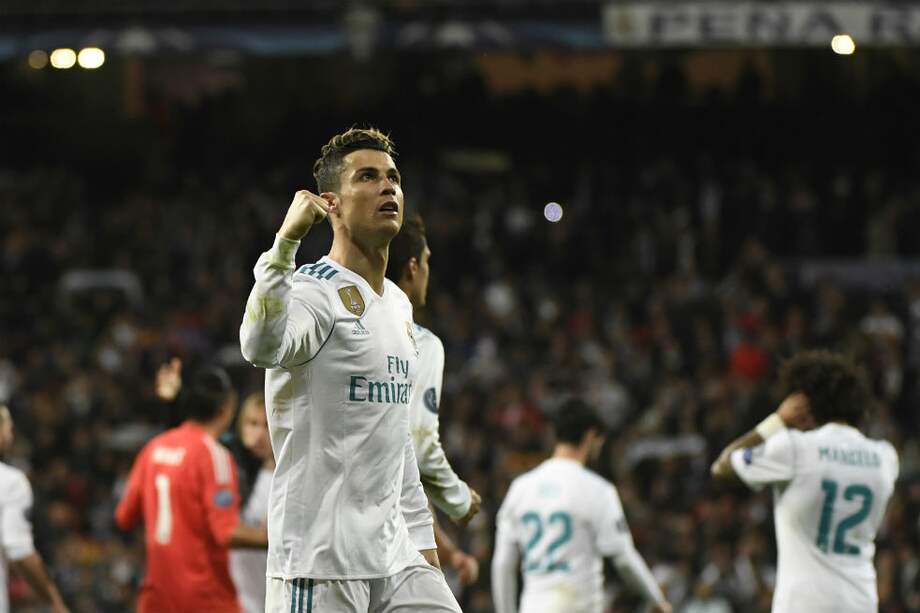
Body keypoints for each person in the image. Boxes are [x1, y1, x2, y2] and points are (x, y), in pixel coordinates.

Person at [239, 127, 460, 613]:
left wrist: (424, 548)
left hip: (394, 557)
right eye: (368, 177)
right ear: (331, 203)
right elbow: (258, 345)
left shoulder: (399, 305)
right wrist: (284, 245)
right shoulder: (313, 290)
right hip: (321, 561)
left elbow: (396, 439)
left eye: (393, 178)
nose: (389, 188)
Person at [711, 350, 899, 613]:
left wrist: (777, 421)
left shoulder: (795, 448)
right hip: (861, 601)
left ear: (803, 404)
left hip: (804, 603)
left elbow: (722, 468)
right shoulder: (885, 457)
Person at [492, 399, 672, 613]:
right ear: (590, 436)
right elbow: (623, 558)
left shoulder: (520, 489)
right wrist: (657, 600)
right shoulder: (597, 490)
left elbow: (503, 565)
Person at [115, 366, 268, 613]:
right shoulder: (214, 456)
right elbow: (224, 532)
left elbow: (124, 518)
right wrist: (272, 538)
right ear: (226, 410)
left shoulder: (153, 449)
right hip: (205, 599)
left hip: (156, 598)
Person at [385, 213, 481, 586]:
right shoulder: (421, 342)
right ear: (412, 268)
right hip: (386, 537)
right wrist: (457, 498)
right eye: (426, 262)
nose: (427, 272)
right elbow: (418, 446)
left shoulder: (343, 325)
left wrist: (449, 550)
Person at [0, 406, 69, 613]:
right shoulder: (10, 482)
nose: (11, 433)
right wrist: (53, 599)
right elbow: (20, 551)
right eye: (7, 427)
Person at [229, 392, 274, 613]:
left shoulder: (289, 480)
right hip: (237, 602)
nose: (259, 434)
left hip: (274, 602)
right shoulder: (233, 475)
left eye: (267, 425)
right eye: (252, 424)